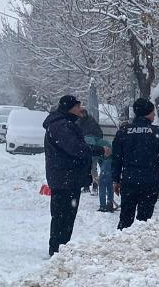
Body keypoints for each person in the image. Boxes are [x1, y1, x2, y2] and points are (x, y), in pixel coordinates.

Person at [43, 95, 109, 255]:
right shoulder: (60, 126)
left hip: (66, 178)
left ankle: (61, 247)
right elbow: (75, 148)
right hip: (65, 178)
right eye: (78, 106)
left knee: (65, 216)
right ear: (70, 108)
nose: (81, 109)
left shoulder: (64, 123)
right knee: (63, 216)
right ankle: (58, 249)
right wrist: (99, 150)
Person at [111, 98, 159, 229]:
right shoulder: (157, 132)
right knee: (144, 221)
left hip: (129, 181)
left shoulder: (123, 132)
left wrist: (116, 179)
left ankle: (122, 238)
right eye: (153, 112)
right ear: (147, 113)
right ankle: (140, 238)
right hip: (149, 182)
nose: (154, 115)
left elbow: (116, 159)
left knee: (125, 219)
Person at [77, 108, 104, 193]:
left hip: (92, 149)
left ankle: (93, 186)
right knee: (89, 168)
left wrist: (92, 141)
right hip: (87, 149)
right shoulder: (83, 122)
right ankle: (88, 186)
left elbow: (99, 134)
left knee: (92, 168)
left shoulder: (88, 122)